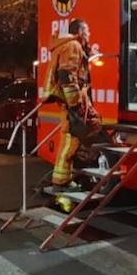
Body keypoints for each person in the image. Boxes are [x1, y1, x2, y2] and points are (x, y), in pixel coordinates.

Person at [45, 19, 103, 190]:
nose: (89, 34)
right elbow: (66, 75)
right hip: (72, 101)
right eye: (87, 31)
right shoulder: (73, 46)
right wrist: (75, 103)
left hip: (71, 101)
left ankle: (67, 175)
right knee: (75, 136)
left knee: (85, 128)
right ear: (79, 31)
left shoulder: (69, 45)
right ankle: (62, 180)